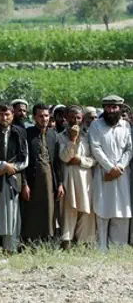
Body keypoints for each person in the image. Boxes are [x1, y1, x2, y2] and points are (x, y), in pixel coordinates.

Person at [89, 95, 132, 250]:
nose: (110, 110)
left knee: (122, 211)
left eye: (114, 107)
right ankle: (101, 249)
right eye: (107, 107)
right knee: (102, 210)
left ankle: (118, 250)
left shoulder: (126, 126)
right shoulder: (96, 125)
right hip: (103, 174)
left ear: (120, 109)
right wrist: (109, 168)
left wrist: (120, 166)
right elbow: (96, 148)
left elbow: (129, 148)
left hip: (121, 175)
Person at [0, 104, 28, 252]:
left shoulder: (19, 133)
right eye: (1, 115)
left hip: (12, 180)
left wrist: (8, 169)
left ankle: (10, 248)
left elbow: (25, 160)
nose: (4, 118)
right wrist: (3, 166)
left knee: (12, 214)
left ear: (12, 116)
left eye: (7, 115)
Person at [21, 104, 63, 244]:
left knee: (49, 211)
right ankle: (31, 243)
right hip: (33, 180)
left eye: (46, 116)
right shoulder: (27, 134)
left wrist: (61, 184)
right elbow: (23, 161)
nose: (44, 119)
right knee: (32, 212)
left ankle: (47, 242)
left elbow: (57, 162)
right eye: (40, 116)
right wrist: (24, 184)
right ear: (34, 118)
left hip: (50, 180)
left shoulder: (53, 134)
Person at [57, 106, 96, 248]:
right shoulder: (60, 137)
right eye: (72, 117)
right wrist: (72, 140)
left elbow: (94, 159)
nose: (75, 121)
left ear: (82, 119)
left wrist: (81, 160)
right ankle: (67, 241)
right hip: (69, 177)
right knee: (69, 209)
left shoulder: (88, 137)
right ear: (66, 118)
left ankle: (84, 242)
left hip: (85, 178)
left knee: (87, 210)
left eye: (78, 118)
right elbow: (65, 157)